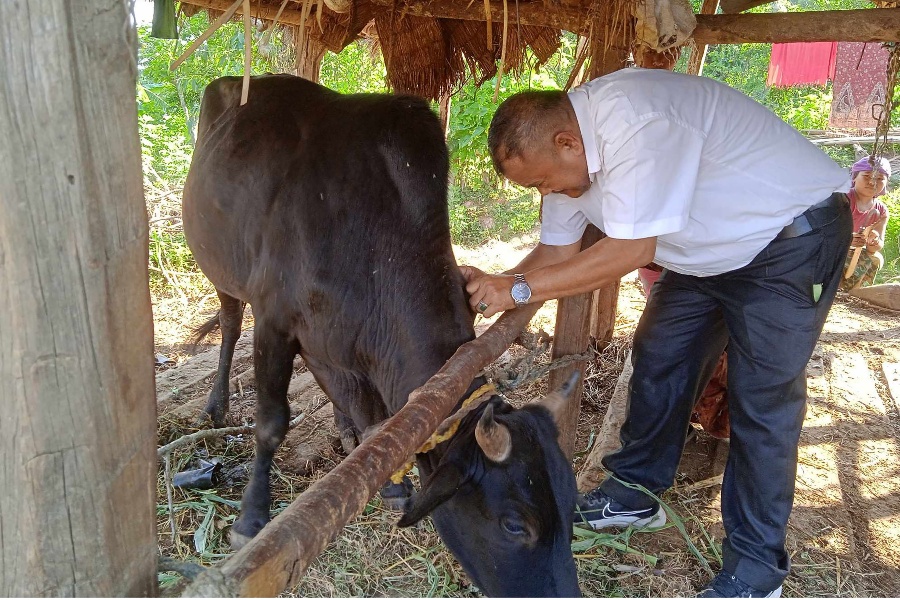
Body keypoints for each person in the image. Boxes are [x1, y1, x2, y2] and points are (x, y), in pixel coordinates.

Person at [460, 68, 851, 598]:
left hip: (787, 242)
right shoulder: (565, 157)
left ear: (567, 141)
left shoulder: (639, 121)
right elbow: (555, 254)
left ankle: (757, 572)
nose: (545, 192)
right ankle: (634, 493)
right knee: (660, 355)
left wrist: (521, 291)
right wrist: (495, 285)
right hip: (706, 257)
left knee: (761, 399)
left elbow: (630, 251)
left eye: (541, 181)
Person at [839, 156, 891, 291]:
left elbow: (874, 248)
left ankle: (855, 293)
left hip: (854, 253)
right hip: (832, 249)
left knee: (876, 259)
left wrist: (874, 241)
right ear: (854, 177)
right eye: (867, 176)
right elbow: (825, 233)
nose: (872, 182)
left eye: (880, 178)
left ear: (886, 183)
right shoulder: (842, 199)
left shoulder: (881, 210)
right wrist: (847, 240)